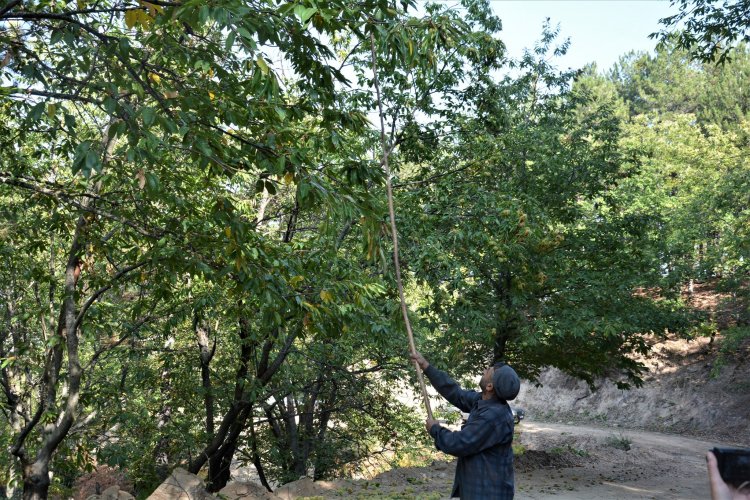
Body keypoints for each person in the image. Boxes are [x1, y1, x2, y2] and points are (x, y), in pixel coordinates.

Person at [411, 351, 520, 499]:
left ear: (489, 386)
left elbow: (459, 443)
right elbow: (455, 393)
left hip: (487, 493)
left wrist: (435, 429)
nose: (484, 370)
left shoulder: (492, 418)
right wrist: (426, 366)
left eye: (488, 371)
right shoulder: (483, 401)